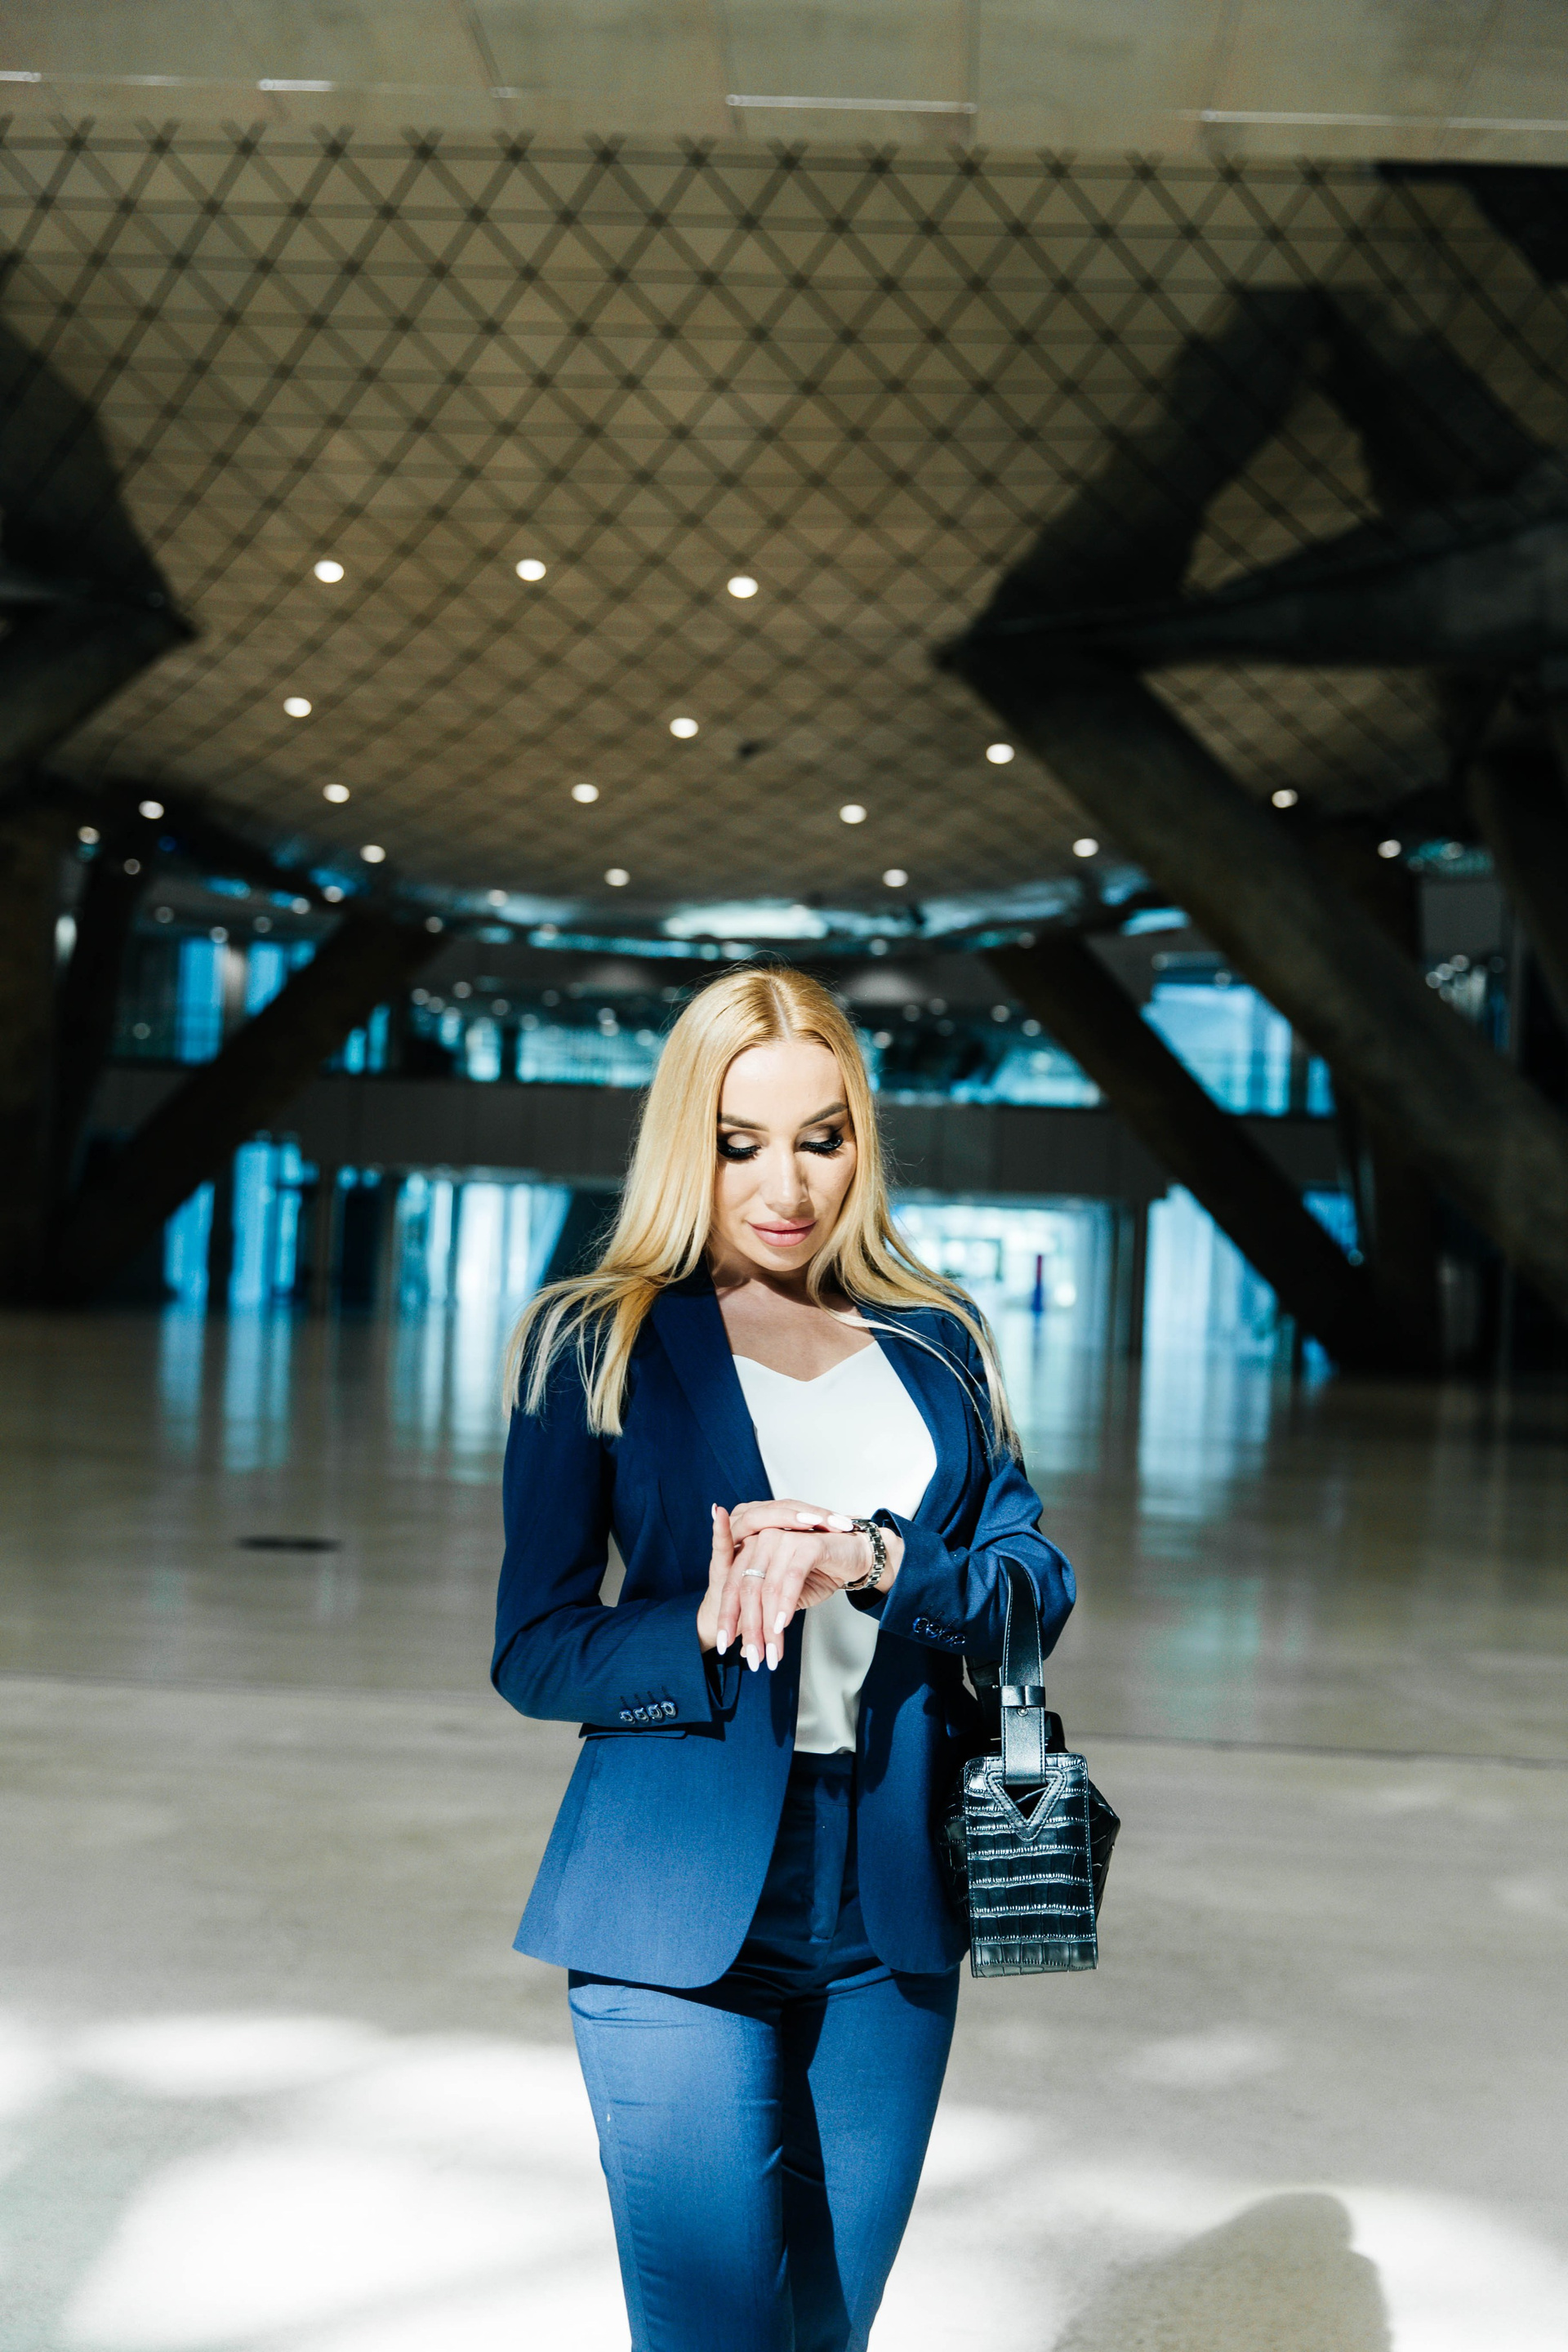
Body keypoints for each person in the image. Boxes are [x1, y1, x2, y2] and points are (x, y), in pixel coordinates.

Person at [492, 965, 1074, 2352]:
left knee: (826, 2334)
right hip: (672, 1903)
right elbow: (534, 1648)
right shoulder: (600, 1338)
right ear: (684, 1144)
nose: (787, 1185)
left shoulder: (939, 1341)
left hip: (891, 1909)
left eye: (822, 1137)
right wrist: (701, 1620)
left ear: (862, 1138)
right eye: (739, 1142)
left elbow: (1032, 1588)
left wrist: (872, 1560)